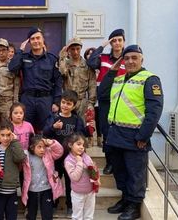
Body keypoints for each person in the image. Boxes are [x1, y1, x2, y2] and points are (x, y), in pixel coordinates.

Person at [99, 45, 164, 220]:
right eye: (126, 58)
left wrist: (143, 136)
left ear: (142, 59)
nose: (130, 61)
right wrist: (113, 70)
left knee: (135, 173)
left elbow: (154, 111)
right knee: (120, 171)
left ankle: (134, 206)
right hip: (115, 134)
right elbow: (102, 93)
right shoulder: (119, 79)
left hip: (135, 136)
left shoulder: (150, 79)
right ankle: (125, 200)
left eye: (134, 58)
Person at [43, 90, 92, 215]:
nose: (65, 105)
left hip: (71, 158)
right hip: (56, 157)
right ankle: (53, 203)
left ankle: (70, 206)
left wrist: (89, 129)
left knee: (71, 182)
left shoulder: (76, 119)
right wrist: (53, 127)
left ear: (74, 106)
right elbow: (45, 133)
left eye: (68, 104)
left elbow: (81, 134)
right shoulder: (53, 117)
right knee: (55, 179)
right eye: (63, 102)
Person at [87, 29, 127, 175]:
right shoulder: (103, 58)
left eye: (119, 40)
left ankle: (120, 162)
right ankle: (110, 162)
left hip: (122, 101)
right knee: (106, 132)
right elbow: (91, 63)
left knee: (121, 131)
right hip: (105, 100)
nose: (116, 43)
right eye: (114, 40)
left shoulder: (127, 58)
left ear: (123, 42)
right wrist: (101, 46)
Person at [8, 27, 63, 132]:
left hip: (45, 99)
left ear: (43, 41)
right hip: (28, 99)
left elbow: (58, 82)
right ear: (29, 42)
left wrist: (56, 102)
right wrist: (20, 51)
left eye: (38, 38)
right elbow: (12, 68)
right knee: (26, 129)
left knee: (47, 129)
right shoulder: (23, 57)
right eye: (32, 39)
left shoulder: (52, 59)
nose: (36, 41)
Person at [0, 120, 26, 220]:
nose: (5, 138)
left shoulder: (14, 148)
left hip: (11, 192)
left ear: (12, 135)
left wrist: (15, 141)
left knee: (11, 217)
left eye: (8, 135)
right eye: (3, 135)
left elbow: (20, 158)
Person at [21, 134, 64, 220]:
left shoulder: (48, 153)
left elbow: (60, 151)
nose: (42, 150)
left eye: (44, 147)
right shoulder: (27, 156)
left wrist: (51, 142)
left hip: (46, 189)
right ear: (32, 147)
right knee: (31, 214)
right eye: (39, 147)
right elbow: (17, 155)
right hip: (31, 190)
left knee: (47, 214)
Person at [59, 37, 97, 120]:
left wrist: (91, 103)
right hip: (68, 102)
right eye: (72, 49)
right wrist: (62, 58)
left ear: (81, 49)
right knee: (67, 128)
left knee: (87, 128)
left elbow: (92, 85)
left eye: (78, 49)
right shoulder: (65, 64)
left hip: (82, 102)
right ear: (68, 50)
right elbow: (62, 72)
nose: (75, 52)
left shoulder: (87, 65)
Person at [64, 134, 99, 220]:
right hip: (77, 194)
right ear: (70, 145)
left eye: (83, 145)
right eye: (78, 144)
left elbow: (93, 170)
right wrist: (79, 163)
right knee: (77, 217)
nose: (82, 147)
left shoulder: (86, 156)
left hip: (90, 192)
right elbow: (74, 177)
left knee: (89, 216)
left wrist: (97, 179)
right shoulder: (68, 161)